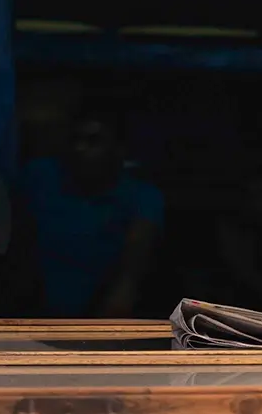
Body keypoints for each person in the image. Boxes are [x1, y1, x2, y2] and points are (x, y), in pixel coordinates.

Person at [16, 98, 163, 317]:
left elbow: (131, 273)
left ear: (119, 150)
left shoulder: (141, 197)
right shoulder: (40, 176)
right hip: (26, 311)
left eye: (94, 141)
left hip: (95, 320)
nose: (80, 148)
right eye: (75, 139)